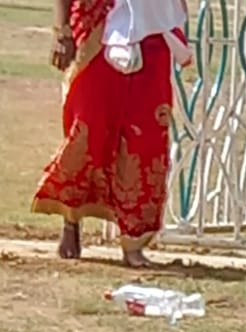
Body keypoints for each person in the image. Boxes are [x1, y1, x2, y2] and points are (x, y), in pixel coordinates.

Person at [32, 0, 190, 265]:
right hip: (96, 29)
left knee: (145, 136)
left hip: (153, 32)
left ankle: (133, 242)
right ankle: (71, 219)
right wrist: (62, 31)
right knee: (87, 130)